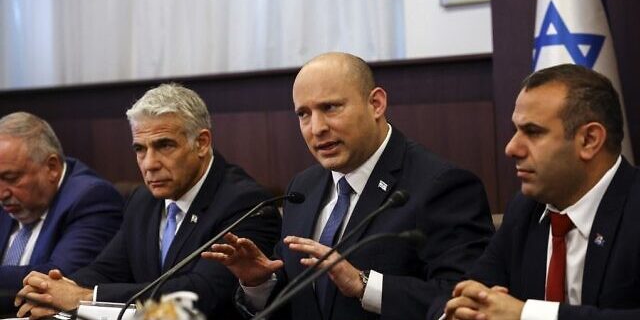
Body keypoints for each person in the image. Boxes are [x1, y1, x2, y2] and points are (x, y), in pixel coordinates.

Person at [204, 52, 494, 320]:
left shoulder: (443, 186)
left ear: (376, 104)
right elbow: (306, 303)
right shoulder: (303, 187)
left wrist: (363, 285)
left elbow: (463, 301)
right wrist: (260, 282)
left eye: (330, 107)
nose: (316, 128)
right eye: (303, 114)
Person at [15, 84, 281, 319]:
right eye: (140, 149)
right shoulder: (144, 199)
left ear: (201, 143)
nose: (149, 164)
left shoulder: (245, 203)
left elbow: (200, 293)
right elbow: (106, 269)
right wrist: (53, 290)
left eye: (164, 146)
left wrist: (84, 297)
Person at [440, 64, 640, 320]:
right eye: (516, 130)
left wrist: (527, 315)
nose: (512, 148)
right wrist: (461, 312)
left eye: (533, 132)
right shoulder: (525, 209)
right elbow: (466, 291)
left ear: (589, 140)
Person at [0, 112, 122, 315]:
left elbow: (60, 280)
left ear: (52, 167)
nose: (1, 193)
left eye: (11, 178)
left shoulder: (92, 197)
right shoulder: (10, 197)